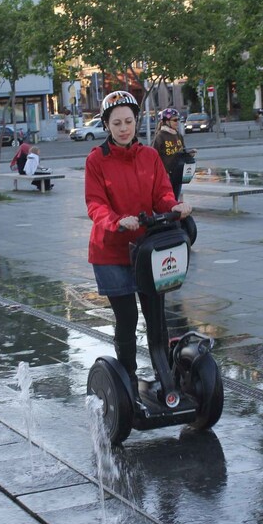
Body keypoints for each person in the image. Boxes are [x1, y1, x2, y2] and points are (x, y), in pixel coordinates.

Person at [84, 90, 192, 401]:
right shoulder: (96, 161)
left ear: (136, 122)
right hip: (111, 252)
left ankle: (165, 377)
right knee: (128, 318)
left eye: (128, 121)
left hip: (147, 249)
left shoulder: (149, 156)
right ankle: (127, 381)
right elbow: (94, 203)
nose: (123, 128)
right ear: (106, 125)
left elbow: (162, 193)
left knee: (156, 315)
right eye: (116, 122)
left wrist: (175, 206)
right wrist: (116, 220)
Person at [152, 108, 196, 199]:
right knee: (167, 200)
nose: (177, 122)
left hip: (178, 172)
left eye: (178, 120)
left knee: (175, 198)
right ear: (166, 121)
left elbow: (182, 151)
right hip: (166, 176)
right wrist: (163, 172)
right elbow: (154, 157)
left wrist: (189, 153)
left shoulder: (178, 135)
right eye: (175, 120)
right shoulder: (160, 136)